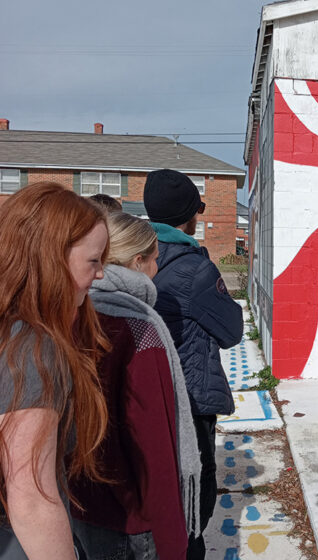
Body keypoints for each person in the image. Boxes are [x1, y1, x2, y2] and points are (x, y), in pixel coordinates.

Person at [70, 212, 202, 560]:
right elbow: (154, 447)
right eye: (156, 259)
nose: (159, 268)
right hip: (130, 521)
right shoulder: (140, 329)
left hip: (79, 504)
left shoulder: (71, 313)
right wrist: (174, 543)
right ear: (137, 261)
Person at [0, 182, 110, 559]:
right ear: (52, 258)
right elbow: (32, 497)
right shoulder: (32, 347)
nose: (100, 275)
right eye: (93, 261)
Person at [143, 169, 244, 559]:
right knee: (196, 488)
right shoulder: (196, 268)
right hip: (191, 397)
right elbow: (232, 331)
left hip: (145, 397)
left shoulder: (130, 257)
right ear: (190, 217)